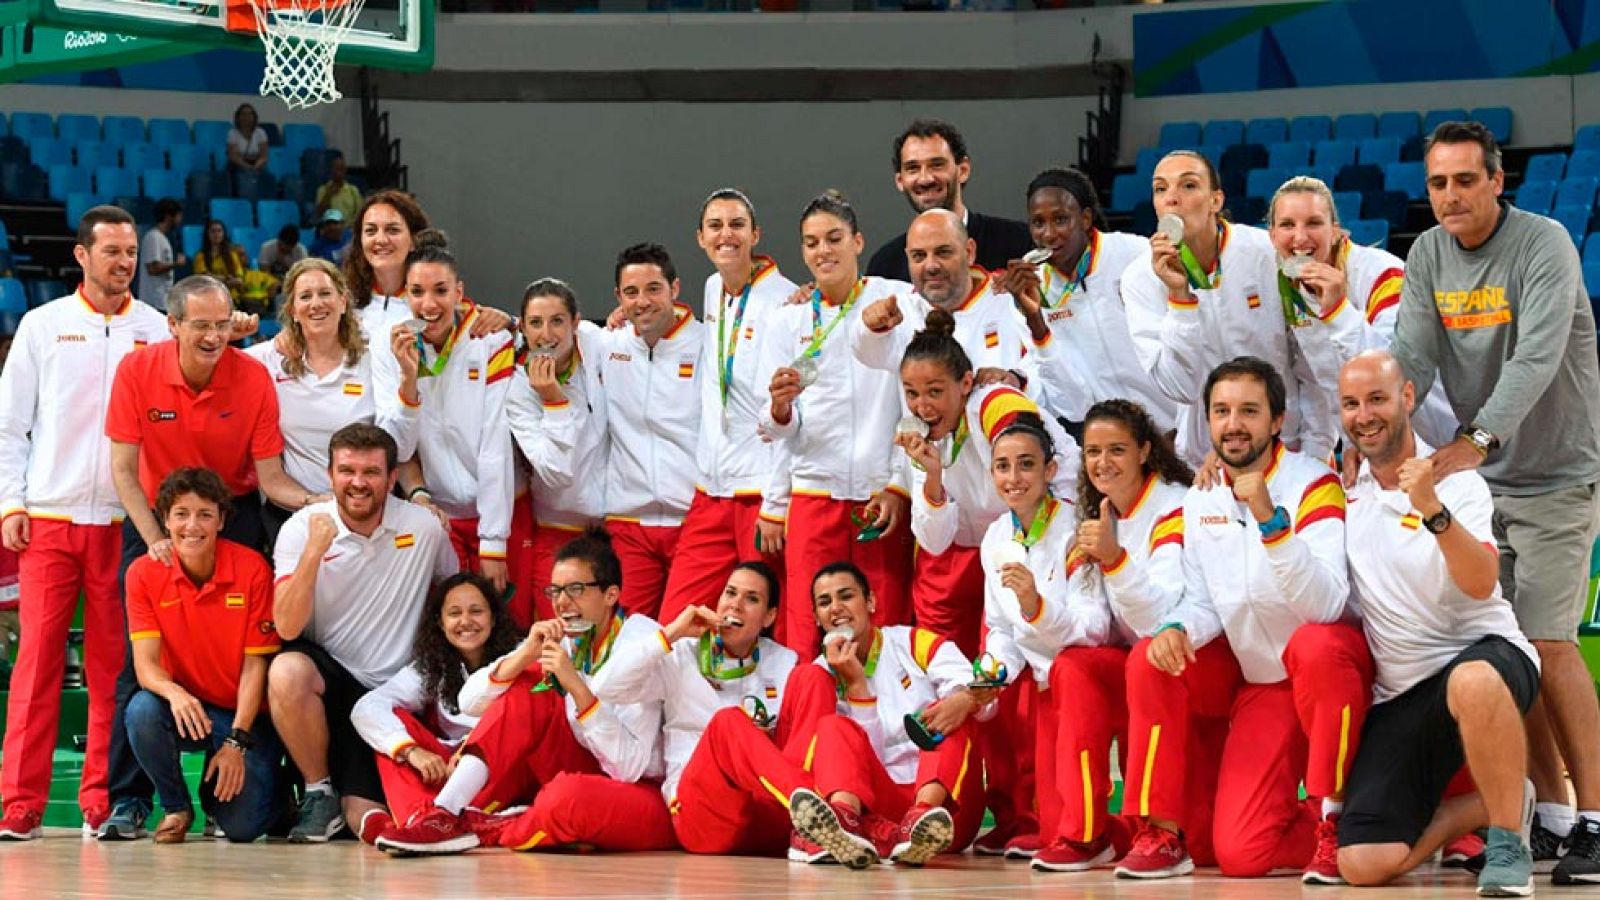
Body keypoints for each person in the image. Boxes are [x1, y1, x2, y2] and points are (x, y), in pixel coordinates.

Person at [1388, 120, 1600, 883]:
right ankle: (1550, 813)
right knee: (1509, 655)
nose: (1450, 196)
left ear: (1496, 181)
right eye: (1438, 183)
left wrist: (1472, 440)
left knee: (1548, 640)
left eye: (1465, 180)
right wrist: (1378, 423)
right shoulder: (1427, 254)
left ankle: (1598, 819)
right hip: (1485, 485)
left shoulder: (1543, 244)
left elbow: (1538, 355)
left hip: (1557, 473)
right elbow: (1409, 353)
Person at [1117, 356, 1372, 882]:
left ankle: (1338, 820)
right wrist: (1178, 629)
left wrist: (1270, 522)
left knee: (1316, 645)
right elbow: (1206, 599)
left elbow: (1325, 606)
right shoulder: (1201, 496)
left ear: (1277, 421)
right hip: (1266, 685)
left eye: (1249, 411)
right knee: (1237, 854)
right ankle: (1163, 831)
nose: (1234, 424)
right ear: (1207, 422)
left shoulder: (1314, 483)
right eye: (1222, 411)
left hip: (1328, 672)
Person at [99, 273, 309, 840]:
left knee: (262, 643)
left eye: (223, 324)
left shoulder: (253, 377)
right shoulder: (137, 371)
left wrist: (322, 502)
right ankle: (131, 799)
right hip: (156, 516)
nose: (215, 336)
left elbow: (270, 477)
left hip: (233, 511)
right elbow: (123, 470)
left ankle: (257, 774)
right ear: (172, 326)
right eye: (201, 326)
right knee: (134, 670)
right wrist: (155, 538)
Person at [1332, 350, 1541, 895]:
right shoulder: (1341, 488)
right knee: (1362, 864)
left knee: (1471, 680)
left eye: (1377, 398)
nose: (1364, 415)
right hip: (1402, 693)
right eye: (1351, 404)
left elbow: (1480, 583)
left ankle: (1507, 842)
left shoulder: (1454, 481)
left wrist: (1432, 511)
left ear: (1406, 398)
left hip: (1488, 657)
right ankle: (1481, 806)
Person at [0, 206, 169, 841]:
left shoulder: (157, 330)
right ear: (81, 255)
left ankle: (102, 801)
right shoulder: (43, 327)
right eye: (112, 251)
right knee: (37, 666)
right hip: (48, 520)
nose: (124, 261)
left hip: (126, 527)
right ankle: (20, 803)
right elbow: (8, 426)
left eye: (131, 251)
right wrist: (10, 504)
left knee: (113, 670)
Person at [372, 530, 666, 855]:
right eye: (555, 591)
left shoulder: (642, 641)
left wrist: (577, 688)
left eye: (576, 590)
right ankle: (444, 814)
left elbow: (629, 767)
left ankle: (479, 823)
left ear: (611, 595)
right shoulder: (567, 638)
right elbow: (468, 703)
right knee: (527, 681)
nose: (562, 603)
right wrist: (526, 653)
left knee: (565, 798)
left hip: (635, 788)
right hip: (576, 767)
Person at [1023, 400, 1211, 873]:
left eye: (1116, 450)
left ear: (1146, 451)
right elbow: (1096, 626)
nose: (1102, 463)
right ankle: (1087, 832)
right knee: (1073, 666)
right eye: (1092, 452)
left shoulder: (1175, 506)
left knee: (1148, 655)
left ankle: (1161, 831)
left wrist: (1115, 559)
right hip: (1141, 659)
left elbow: (1162, 617)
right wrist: (1041, 611)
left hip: (1198, 654)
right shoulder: (1096, 514)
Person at [268, 423, 459, 844]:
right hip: (331, 680)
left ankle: (364, 814)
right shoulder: (302, 529)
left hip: (395, 693)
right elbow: (286, 625)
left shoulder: (424, 528)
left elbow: (454, 592)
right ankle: (317, 791)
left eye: (371, 472)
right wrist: (316, 551)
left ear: (392, 478)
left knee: (365, 810)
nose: (358, 482)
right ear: (330, 474)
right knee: (286, 670)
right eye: (347, 471)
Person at [757, 191, 913, 657]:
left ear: (858, 241)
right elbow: (772, 428)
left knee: (883, 621)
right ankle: (807, 723)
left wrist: (898, 485)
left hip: (877, 497)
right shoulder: (787, 320)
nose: (822, 251)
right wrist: (780, 410)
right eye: (811, 243)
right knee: (806, 627)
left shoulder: (896, 300)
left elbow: (915, 402)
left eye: (833, 238)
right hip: (813, 495)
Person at [1123, 149, 1342, 466]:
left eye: (1188, 185)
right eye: (1161, 188)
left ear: (1215, 200)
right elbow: (1179, 387)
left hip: (1289, 448)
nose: (1172, 198)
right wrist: (1179, 297)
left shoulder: (1267, 254)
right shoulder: (1140, 277)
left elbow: (1311, 362)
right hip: (1205, 461)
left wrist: (1316, 449)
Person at [784, 562, 989, 868]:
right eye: (825, 603)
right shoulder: (820, 674)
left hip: (947, 811)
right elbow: (862, 764)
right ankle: (846, 822)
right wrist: (856, 685)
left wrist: (966, 699)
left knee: (952, 709)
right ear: (817, 618)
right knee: (831, 727)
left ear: (870, 602)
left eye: (846, 596)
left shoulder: (911, 642)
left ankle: (919, 819)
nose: (836, 608)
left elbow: (984, 700)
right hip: (883, 809)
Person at [659, 190, 797, 623]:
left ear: (755, 234)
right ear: (700, 237)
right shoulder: (712, 288)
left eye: (737, 225)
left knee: (765, 626)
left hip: (760, 493)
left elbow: (793, 413)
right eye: (715, 226)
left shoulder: (785, 301)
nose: (726, 235)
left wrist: (777, 502)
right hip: (711, 491)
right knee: (676, 622)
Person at [123, 467, 281, 844]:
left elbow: (254, 666)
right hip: (188, 708)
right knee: (142, 710)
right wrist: (175, 694)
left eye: (205, 514)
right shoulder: (143, 574)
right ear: (164, 519)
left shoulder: (252, 569)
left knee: (243, 829)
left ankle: (271, 791)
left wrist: (236, 742)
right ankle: (176, 806)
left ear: (222, 520)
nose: (192, 525)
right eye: (181, 513)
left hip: (243, 716)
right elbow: (145, 667)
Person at [1265, 175, 1455, 448]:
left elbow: (1394, 369)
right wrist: (1349, 443)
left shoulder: (1384, 274)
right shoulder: (1291, 288)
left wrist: (1338, 312)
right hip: (1373, 443)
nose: (1300, 237)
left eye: (1314, 223)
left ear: (1336, 230)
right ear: (1272, 236)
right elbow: (1320, 381)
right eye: (1287, 225)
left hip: (1436, 434)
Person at [245, 258, 421, 545]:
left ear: (343, 301)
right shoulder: (267, 359)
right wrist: (232, 329)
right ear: (293, 310)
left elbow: (400, 444)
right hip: (296, 514)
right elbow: (209, 350)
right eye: (305, 296)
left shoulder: (374, 353)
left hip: (368, 511)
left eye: (325, 293)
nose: (316, 303)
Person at [996, 168, 1177, 433]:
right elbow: (1073, 405)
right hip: (1120, 441)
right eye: (1038, 223)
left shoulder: (1134, 255)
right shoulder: (1028, 291)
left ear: (1085, 218)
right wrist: (1036, 321)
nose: (1048, 234)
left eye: (1060, 219)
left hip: (1181, 424)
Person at [385, 231, 516, 595]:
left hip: (503, 516)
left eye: (440, 291)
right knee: (452, 627)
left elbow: (496, 444)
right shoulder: (391, 346)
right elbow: (398, 446)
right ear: (404, 296)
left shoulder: (491, 341)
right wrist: (408, 380)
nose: (429, 304)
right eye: (417, 292)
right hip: (438, 516)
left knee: (510, 624)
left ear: (459, 291)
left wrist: (493, 540)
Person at [349, 572, 520, 828]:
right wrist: (411, 750)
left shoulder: (520, 654)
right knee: (394, 738)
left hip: (499, 770)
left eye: (476, 611)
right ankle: (422, 819)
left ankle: (446, 820)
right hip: (448, 770)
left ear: (494, 618)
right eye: (454, 614)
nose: (466, 621)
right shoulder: (432, 666)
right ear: (440, 623)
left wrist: (468, 748)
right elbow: (367, 708)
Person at [592, 243, 704, 620]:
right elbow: (543, 329)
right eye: (631, 292)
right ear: (618, 298)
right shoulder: (606, 344)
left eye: (653, 289)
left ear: (675, 289)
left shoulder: (710, 343)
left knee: (684, 638)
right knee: (625, 643)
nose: (643, 301)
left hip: (692, 520)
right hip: (629, 523)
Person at [854, 208, 1044, 399]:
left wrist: (1017, 380)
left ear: (969, 252)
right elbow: (868, 352)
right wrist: (870, 328)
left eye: (943, 252)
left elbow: (1051, 380)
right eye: (919, 256)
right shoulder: (902, 310)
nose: (931, 266)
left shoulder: (1010, 299)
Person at [505, 278, 608, 620]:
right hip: (555, 530)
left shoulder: (595, 343)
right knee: (557, 634)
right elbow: (556, 472)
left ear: (576, 323)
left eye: (557, 321)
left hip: (614, 528)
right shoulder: (518, 389)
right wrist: (553, 401)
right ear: (522, 328)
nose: (546, 334)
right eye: (535, 323)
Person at [865, 119, 1032, 283]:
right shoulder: (885, 267)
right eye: (913, 168)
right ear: (900, 180)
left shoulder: (1019, 243)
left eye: (936, 165)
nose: (925, 179)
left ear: (963, 170)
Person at [139, 198, 185, 313]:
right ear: (169, 216)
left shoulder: (162, 238)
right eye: (178, 216)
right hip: (153, 302)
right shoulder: (153, 237)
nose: (180, 220)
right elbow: (152, 268)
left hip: (162, 301)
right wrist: (176, 264)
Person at [192, 219, 249, 300]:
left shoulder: (232, 255)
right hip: (209, 297)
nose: (216, 234)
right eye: (213, 231)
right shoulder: (200, 256)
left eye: (219, 231)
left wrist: (232, 281)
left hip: (231, 297)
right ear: (207, 234)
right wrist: (226, 279)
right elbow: (204, 278)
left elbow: (239, 278)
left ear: (223, 234)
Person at [313, 153, 361, 232]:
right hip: (329, 232)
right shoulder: (323, 190)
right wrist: (328, 195)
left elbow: (359, 214)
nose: (339, 172)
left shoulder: (353, 191)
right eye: (336, 169)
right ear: (331, 170)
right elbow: (319, 214)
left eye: (341, 169)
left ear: (345, 171)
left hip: (349, 231)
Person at [224, 103, 268, 176]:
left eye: (250, 114)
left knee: (266, 174)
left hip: (257, 163)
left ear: (254, 117)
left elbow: (263, 157)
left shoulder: (260, 132)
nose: (247, 117)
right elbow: (233, 156)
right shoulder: (232, 133)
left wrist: (256, 166)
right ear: (238, 117)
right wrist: (247, 167)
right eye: (243, 114)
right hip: (238, 163)